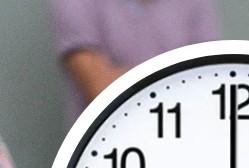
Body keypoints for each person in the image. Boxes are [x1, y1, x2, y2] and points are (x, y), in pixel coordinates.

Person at [50, 0, 220, 125]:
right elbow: (99, 87)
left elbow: (208, 86)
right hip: (104, 152)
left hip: (184, 146)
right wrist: (177, 82)